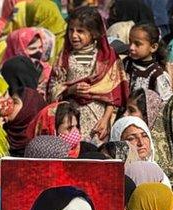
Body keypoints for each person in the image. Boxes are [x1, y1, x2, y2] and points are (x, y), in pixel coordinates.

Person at [49, 6, 128, 144]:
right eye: (71, 30)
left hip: (98, 120)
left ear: (94, 33)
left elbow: (115, 95)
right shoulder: (64, 57)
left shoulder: (108, 58)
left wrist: (105, 120)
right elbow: (52, 89)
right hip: (70, 120)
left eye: (80, 31)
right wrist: (70, 90)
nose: (74, 35)